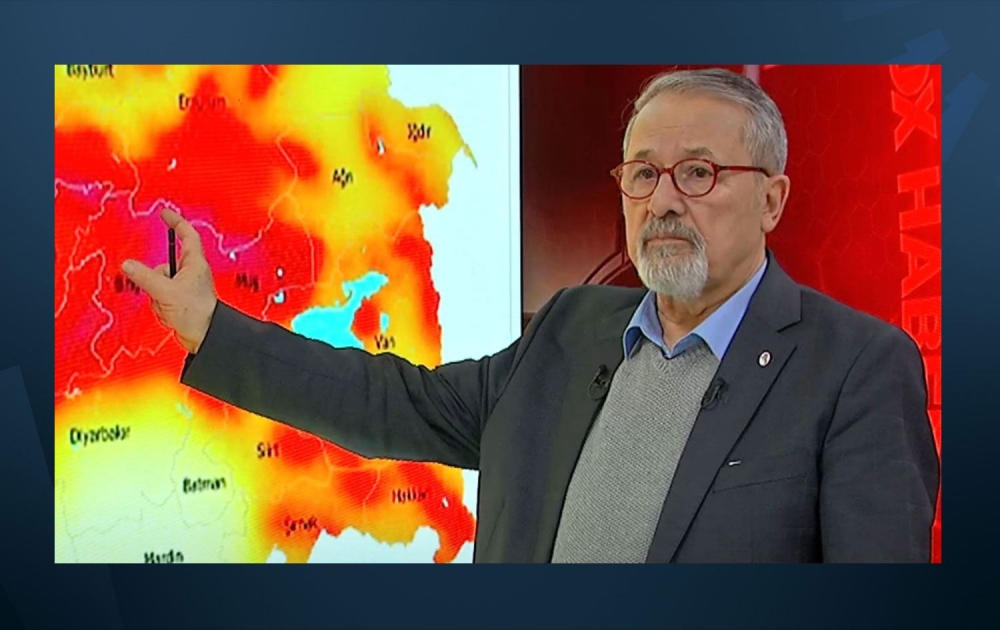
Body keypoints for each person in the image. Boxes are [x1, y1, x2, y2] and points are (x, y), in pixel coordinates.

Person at [122, 67, 939, 563]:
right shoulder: (571, 327)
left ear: (772, 199)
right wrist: (210, 327)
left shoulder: (856, 367)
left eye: (698, 173)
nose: (663, 200)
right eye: (642, 174)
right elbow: (396, 402)